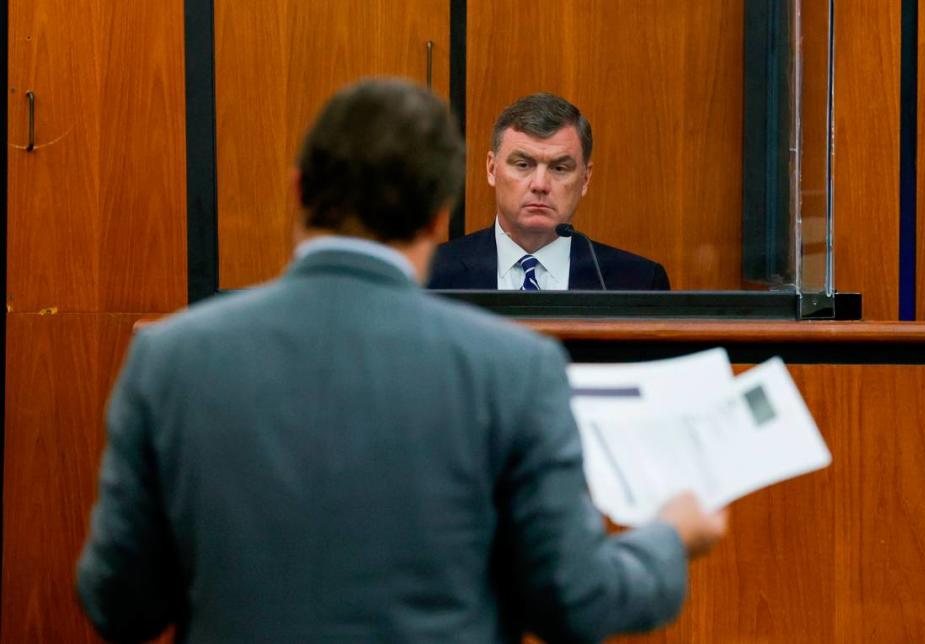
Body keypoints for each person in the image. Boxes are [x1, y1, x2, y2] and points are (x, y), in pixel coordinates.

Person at [76, 79, 724, 643]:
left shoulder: (169, 358)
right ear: (440, 209)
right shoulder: (514, 369)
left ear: (298, 189)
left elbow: (120, 604)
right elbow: (574, 601)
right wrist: (671, 536)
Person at [428, 92, 670, 291]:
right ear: (492, 169)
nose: (540, 184)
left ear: (585, 178)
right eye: (523, 165)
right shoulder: (430, 274)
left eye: (559, 168)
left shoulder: (638, 282)